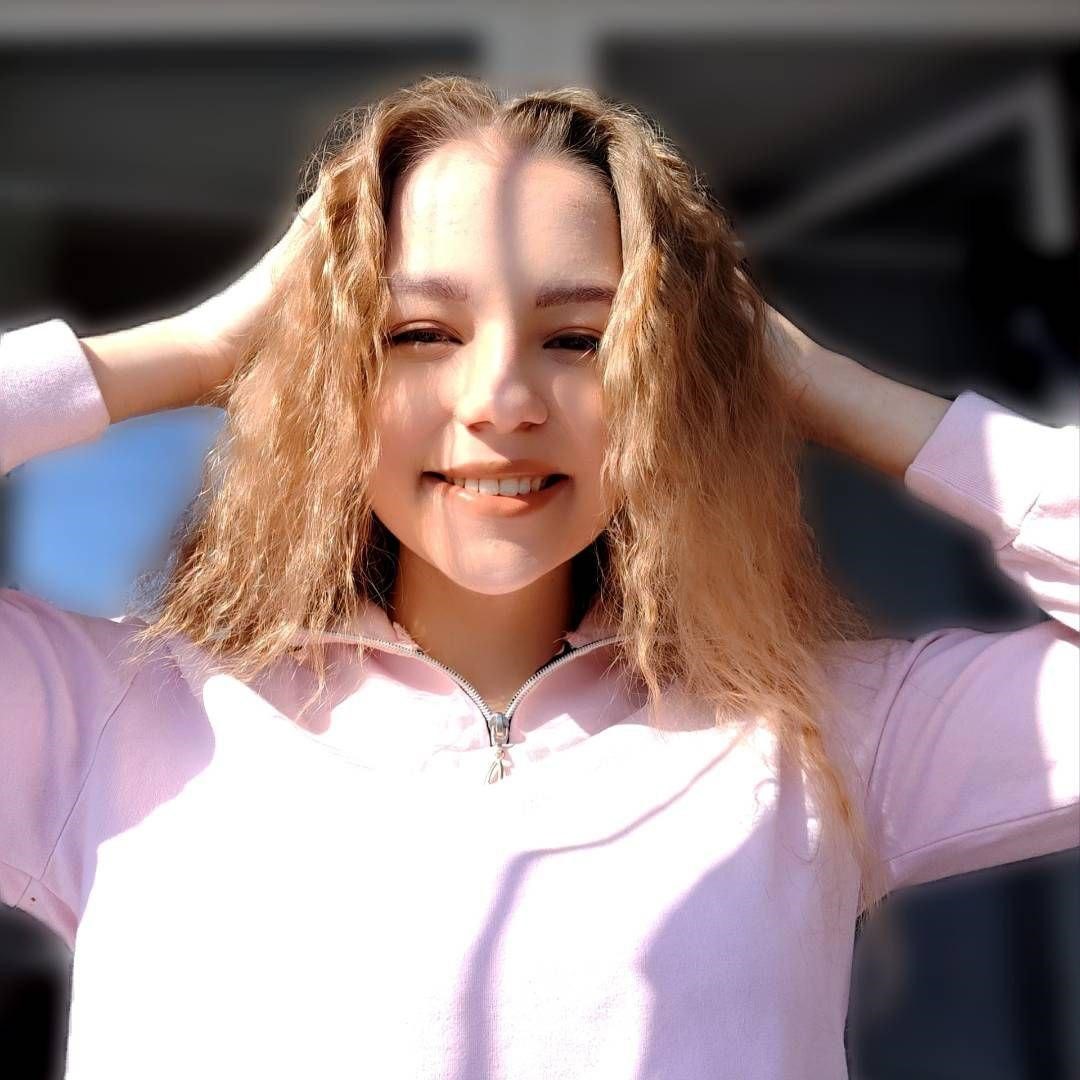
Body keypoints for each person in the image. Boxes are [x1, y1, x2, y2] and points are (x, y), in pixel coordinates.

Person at [1, 74, 1076, 1080]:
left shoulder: (820, 736)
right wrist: (197, 345)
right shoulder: (104, 720)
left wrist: (813, 383)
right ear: (334, 367)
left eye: (579, 340)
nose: (502, 401)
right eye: (420, 333)